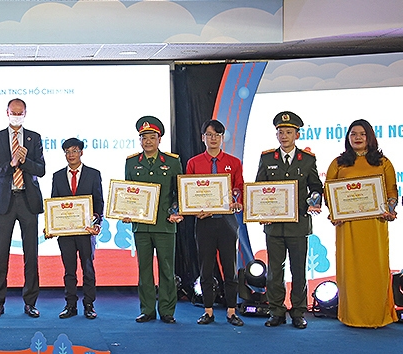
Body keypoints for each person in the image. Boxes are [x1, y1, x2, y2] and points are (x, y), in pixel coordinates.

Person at [325, 119, 398, 328]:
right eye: (353, 134)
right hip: (348, 226)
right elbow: (329, 191)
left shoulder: (382, 162)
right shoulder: (339, 162)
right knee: (351, 269)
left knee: (375, 269)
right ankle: (351, 316)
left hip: (374, 225)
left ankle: (377, 315)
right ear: (348, 138)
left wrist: (390, 209)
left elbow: (391, 191)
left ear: (370, 137)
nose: (357, 138)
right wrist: (334, 212)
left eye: (362, 134)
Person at [255, 111, 322, 329]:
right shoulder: (267, 158)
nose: (284, 136)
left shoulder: (307, 159)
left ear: (297, 135)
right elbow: (259, 189)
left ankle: (299, 312)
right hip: (274, 226)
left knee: (299, 270)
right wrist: (260, 212)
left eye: (289, 132)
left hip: (298, 224)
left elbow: (315, 187)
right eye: (280, 132)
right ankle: (276, 311)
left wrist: (315, 199)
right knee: (275, 271)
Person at [0, 98, 46, 318]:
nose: (16, 115)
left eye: (20, 112)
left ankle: (30, 302)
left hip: (28, 201)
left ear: (26, 113)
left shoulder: (35, 137)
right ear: (7, 112)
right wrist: (11, 164)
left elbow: (41, 169)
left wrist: (24, 160)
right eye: (13, 112)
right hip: (4, 201)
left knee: (31, 254)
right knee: (0, 254)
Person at [123, 116, 183, 324]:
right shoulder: (131, 162)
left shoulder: (172, 162)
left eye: (152, 137)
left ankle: (167, 310)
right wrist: (125, 210)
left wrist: (176, 209)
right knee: (144, 269)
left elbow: (179, 193)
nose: (148, 141)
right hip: (141, 226)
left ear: (159, 139)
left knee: (167, 269)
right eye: (144, 137)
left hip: (165, 224)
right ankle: (147, 309)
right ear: (139, 140)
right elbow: (128, 192)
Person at [185, 120, 244, 326]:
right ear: (203, 137)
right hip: (204, 223)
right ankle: (208, 311)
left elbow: (239, 189)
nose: (213, 139)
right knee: (206, 267)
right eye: (209, 135)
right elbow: (189, 193)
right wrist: (194, 211)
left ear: (222, 138)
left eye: (217, 135)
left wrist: (238, 202)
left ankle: (231, 311)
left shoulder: (234, 162)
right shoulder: (193, 163)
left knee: (230, 267)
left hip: (228, 222)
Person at [49, 138, 103, 319]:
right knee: (69, 270)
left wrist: (96, 221)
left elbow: (99, 202)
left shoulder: (93, 174)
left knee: (88, 268)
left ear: (81, 152)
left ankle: (89, 305)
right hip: (65, 233)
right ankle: (70, 305)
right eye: (67, 151)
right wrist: (51, 226)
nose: (71, 154)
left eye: (74, 150)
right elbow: (54, 204)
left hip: (86, 232)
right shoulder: (57, 176)